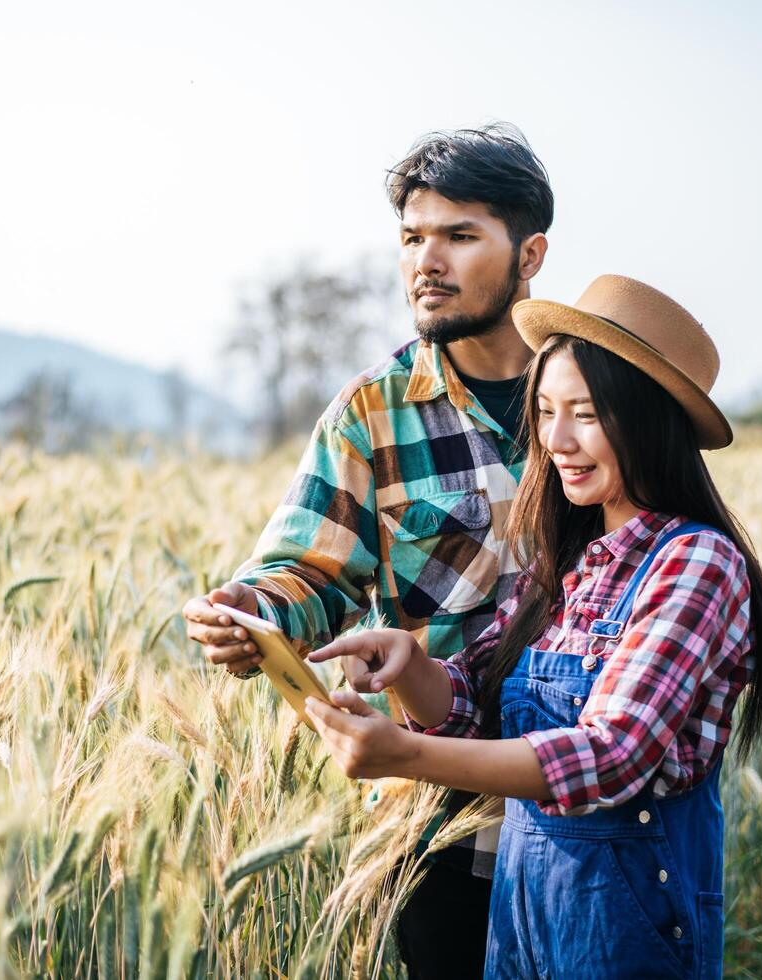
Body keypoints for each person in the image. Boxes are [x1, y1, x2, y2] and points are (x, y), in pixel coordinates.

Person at [302, 275, 762, 979]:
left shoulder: (695, 563)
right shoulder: (559, 565)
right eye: (543, 411)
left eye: (586, 415)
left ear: (649, 420)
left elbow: (610, 754)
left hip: (628, 932)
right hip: (522, 919)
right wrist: (408, 667)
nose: (555, 440)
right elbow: (475, 701)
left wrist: (404, 757)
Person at [183, 124, 553, 978]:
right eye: (412, 238)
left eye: (460, 236)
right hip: (434, 806)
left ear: (528, 253)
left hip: (590, 795)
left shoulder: (589, 398)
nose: (428, 260)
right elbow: (310, 568)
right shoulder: (372, 413)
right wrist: (253, 612)